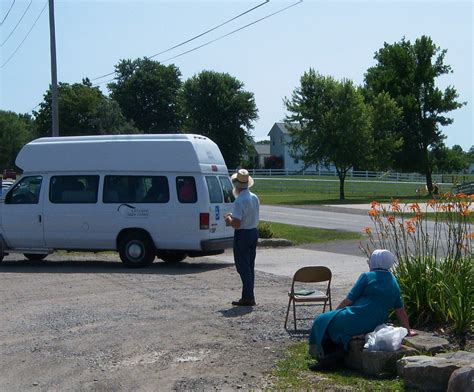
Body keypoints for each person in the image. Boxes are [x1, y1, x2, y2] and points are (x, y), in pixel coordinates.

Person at [309, 249, 416, 369]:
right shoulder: (393, 281)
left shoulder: (366, 277)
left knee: (322, 320)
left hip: (357, 315)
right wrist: (407, 329)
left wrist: (334, 313)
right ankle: (338, 352)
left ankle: (329, 356)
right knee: (337, 323)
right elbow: (400, 310)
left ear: (374, 262)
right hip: (375, 323)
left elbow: (348, 301)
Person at [224, 169, 260, 306]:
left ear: (237, 185)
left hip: (243, 234)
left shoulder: (239, 200)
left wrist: (228, 219)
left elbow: (237, 224)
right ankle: (248, 295)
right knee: (249, 265)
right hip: (253, 232)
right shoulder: (254, 197)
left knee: (242, 266)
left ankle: (248, 296)